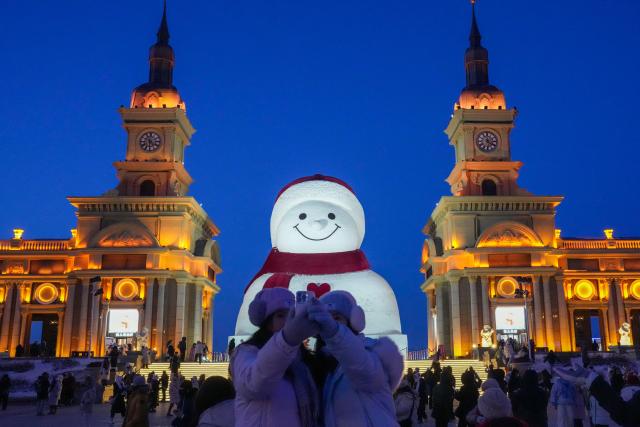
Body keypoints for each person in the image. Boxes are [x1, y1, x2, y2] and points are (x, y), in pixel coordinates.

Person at [309, 290, 404, 427]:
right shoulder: (322, 366)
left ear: (354, 321)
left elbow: (361, 368)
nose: (330, 324)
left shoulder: (371, 353)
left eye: (336, 318)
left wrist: (335, 333)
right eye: (325, 319)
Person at [231, 287, 319, 427]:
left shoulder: (302, 363)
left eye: (291, 315)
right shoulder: (246, 353)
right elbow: (254, 384)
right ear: (267, 321)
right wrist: (287, 340)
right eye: (280, 315)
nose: (286, 321)